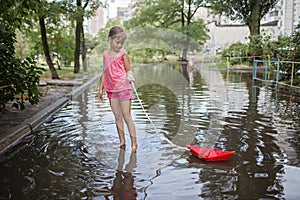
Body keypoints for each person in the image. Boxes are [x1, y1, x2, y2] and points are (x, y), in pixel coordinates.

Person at [98, 26, 137, 152]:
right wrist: (100, 89)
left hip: (124, 87)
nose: (119, 45)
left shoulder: (123, 54)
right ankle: (122, 141)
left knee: (127, 116)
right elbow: (104, 72)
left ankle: (134, 144)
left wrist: (129, 75)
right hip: (111, 89)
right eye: (117, 42)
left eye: (122, 43)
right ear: (110, 39)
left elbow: (128, 69)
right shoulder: (105, 54)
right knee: (117, 116)